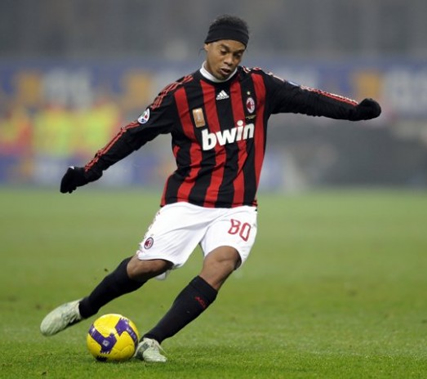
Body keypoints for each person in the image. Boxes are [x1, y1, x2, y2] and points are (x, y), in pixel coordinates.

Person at [40, 14, 381, 363]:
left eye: (238, 54)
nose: (230, 60)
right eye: (224, 51)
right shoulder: (179, 95)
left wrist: (354, 111)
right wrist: (89, 171)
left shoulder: (259, 86)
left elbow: (308, 98)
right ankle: (82, 308)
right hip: (187, 201)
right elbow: (133, 135)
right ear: (206, 46)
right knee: (149, 266)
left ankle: (152, 340)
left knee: (221, 265)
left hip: (238, 206)